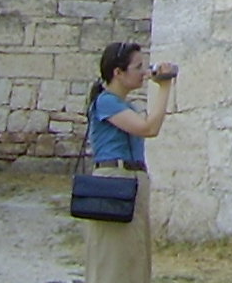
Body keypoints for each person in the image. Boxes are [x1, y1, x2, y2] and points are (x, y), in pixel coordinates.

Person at [83, 41, 177, 283]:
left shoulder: (127, 106)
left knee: (134, 259)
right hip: (114, 181)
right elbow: (148, 128)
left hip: (132, 180)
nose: (144, 73)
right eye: (137, 67)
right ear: (118, 72)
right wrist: (164, 87)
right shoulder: (106, 102)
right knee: (112, 261)